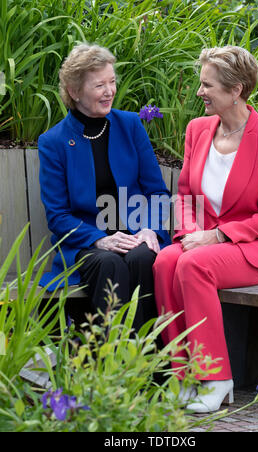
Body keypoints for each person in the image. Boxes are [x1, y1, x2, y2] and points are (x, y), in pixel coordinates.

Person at [153, 46, 258, 412]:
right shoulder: (197, 129)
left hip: (253, 247)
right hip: (202, 241)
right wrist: (187, 236)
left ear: (236, 90)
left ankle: (215, 377)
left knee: (193, 265)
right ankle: (181, 375)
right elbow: (184, 195)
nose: (200, 92)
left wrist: (216, 236)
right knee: (165, 262)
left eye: (207, 85)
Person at [38, 43, 171, 330]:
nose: (110, 91)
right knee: (108, 261)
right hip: (87, 244)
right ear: (74, 91)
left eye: (112, 82)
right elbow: (58, 216)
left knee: (141, 256)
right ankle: (116, 360)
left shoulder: (131, 125)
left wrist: (149, 229)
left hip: (137, 233)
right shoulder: (54, 142)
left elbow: (157, 193)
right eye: (100, 85)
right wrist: (99, 238)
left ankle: (146, 361)